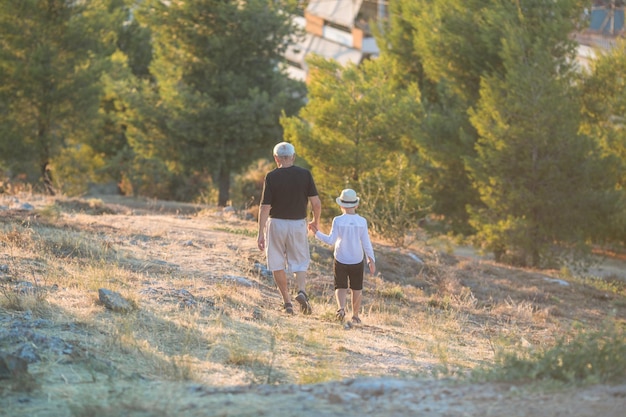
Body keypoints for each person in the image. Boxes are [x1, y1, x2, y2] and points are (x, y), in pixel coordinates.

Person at [257, 142, 321, 315]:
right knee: (300, 261)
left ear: (276, 158)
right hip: (298, 223)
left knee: (277, 262)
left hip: (276, 223)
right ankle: (301, 291)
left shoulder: (271, 176)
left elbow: (265, 208)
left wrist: (260, 233)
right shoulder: (305, 174)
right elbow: (316, 203)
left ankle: (287, 303)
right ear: (293, 157)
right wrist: (316, 221)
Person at [310, 188, 375, 323]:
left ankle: (341, 308)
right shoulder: (362, 221)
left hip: (341, 257)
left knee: (340, 286)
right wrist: (371, 259)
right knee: (356, 288)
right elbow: (366, 242)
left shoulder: (337, 220)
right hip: (357, 259)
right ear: (356, 205)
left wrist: (316, 233)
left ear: (341, 205)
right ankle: (355, 316)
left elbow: (330, 241)